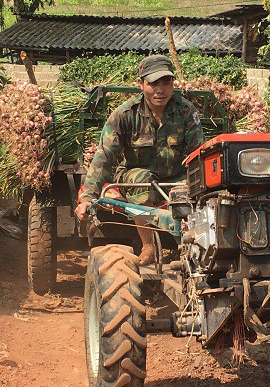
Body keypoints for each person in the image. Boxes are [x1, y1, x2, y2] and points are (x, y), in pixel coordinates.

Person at [75, 55, 204, 265]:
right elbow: (104, 157)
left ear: (173, 84)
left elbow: (197, 155)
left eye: (166, 83)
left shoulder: (186, 111)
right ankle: (149, 246)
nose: (160, 90)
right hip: (135, 175)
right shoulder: (125, 114)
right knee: (141, 179)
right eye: (153, 83)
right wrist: (88, 197)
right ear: (141, 84)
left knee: (197, 189)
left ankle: (187, 246)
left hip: (174, 177)